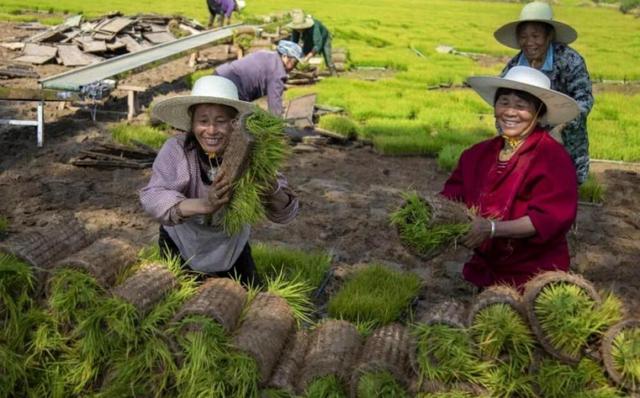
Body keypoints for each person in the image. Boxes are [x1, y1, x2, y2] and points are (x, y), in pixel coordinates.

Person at [140, 75, 298, 286]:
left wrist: (267, 184)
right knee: (181, 306)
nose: (211, 131)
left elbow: (285, 212)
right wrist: (205, 204)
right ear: (192, 123)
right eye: (203, 121)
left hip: (230, 245)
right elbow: (153, 197)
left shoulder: (252, 154)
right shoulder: (177, 150)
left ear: (234, 124)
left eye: (221, 121)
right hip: (182, 243)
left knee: (248, 302)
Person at [440, 66, 580, 289]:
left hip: (534, 276)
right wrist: (427, 214)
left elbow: (546, 218)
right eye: (504, 102)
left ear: (539, 114)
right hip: (485, 272)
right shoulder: (476, 155)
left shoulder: (553, 158)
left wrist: (491, 229)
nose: (510, 112)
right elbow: (450, 198)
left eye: (521, 106)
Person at [495, 1, 594, 185]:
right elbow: (501, 102)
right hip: (527, 142)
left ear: (549, 36)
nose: (529, 42)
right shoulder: (515, 66)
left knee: (564, 188)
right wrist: (508, 138)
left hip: (566, 139)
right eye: (523, 36)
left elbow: (584, 100)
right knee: (528, 188)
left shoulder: (570, 61)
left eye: (535, 35)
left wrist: (560, 128)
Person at [214, 40, 302, 117]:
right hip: (231, 86)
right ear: (285, 57)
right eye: (294, 62)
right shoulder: (277, 71)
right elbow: (275, 105)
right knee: (231, 121)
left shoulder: (268, 55)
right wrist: (278, 127)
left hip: (220, 74)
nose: (294, 67)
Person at [287, 9, 336, 76]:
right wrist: (291, 56)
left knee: (328, 59)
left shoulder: (314, 27)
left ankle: (334, 75)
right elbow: (293, 43)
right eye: (297, 28)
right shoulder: (295, 27)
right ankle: (293, 73)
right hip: (308, 39)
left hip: (324, 38)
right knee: (301, 55)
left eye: (300, 28)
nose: (298, 30)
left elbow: (318, 44)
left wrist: (308, 57)